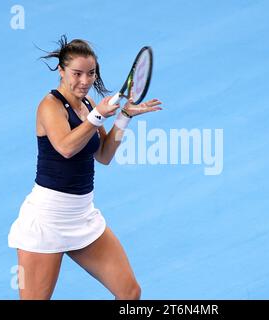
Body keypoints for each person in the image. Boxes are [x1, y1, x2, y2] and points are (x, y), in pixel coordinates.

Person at [8, 35, 162, 300]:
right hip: (47, 220)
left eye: (91, 73)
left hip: (82, 217)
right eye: (77, 73)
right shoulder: (50, 106)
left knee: (130, 293)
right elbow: (66, 148)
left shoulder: (89, 104)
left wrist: (124, 116)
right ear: (61, 70)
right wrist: (97, 116)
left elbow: (103, 155)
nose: (85, 80)